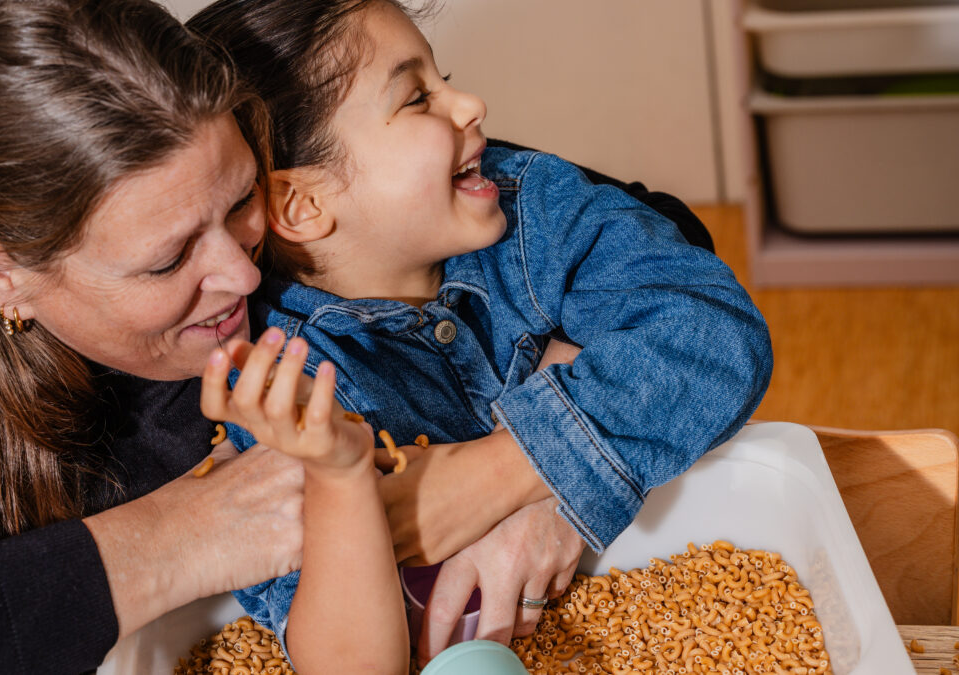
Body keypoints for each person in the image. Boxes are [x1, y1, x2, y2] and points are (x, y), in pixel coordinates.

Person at [192, 0, 773, 668]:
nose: (471, 104)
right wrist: (343, 481)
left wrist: (508, 471)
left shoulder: (531, 203)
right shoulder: (278, 388)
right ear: (304, 204)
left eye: (444, 79)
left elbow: (717, 332)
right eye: (417, 99)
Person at [0, 0, 305, 671]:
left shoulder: (220, 164)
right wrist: (183, 536)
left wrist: (515, 466)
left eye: (242, 199)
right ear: (0, 273)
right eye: (168, 261)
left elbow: (508, 220)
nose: (243, 275)